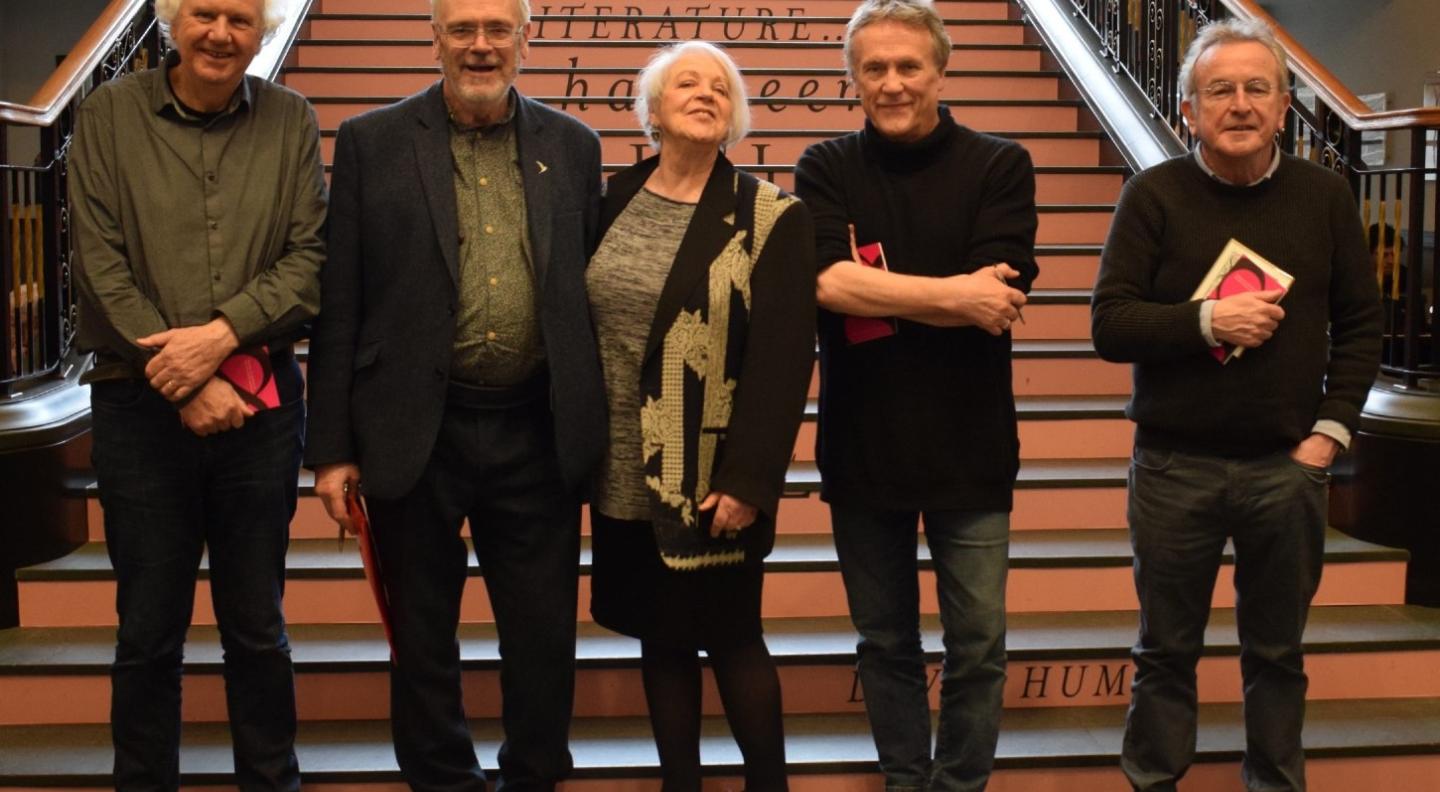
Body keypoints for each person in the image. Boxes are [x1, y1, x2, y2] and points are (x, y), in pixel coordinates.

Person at [303, 0, 606, 788]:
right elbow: (342, 300)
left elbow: (590, 299)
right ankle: (441, 779)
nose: (480, 46)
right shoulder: (372, 142)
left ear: (523, 40)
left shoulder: (574, 146)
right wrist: (332, 450)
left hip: (536, 429)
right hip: (412, 429)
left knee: (541, 636)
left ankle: (534, 775)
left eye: (497, 30)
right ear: (433, 38)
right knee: (423, 635)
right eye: (462, 30)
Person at [1090, 18, 1381, 792]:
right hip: (1173, 467)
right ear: (1189, 109)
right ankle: (1153, 781)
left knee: (1278, 655)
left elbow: (1361, 326)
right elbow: (1109, 324)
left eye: (1259, 88)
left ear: (1285, 106)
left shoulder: (1324, 198)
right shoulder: (1151, 197)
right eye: (1221, 90)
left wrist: (1330, 432)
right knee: (1164, 652)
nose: (1241, 104)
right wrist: (1206, 320)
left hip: (1285, 470)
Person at [67, 0, 324, 788]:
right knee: (147, 631)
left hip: (259, 409)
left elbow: (309, 259)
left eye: (241, 19)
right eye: (204, 12)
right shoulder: (109, 113)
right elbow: (100, 265)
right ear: (174, 21)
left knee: (258, 628)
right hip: (139, 412)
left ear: (263, 33)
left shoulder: (292, 119)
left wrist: (215, 342)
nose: (220, 32)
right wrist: (181, 380)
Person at [793, 1, 1038, 789]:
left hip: (972, 447)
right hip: (864, 449)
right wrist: (951, 296)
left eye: (908, 67)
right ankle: (906, 780)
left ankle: (959, 784)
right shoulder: (825, 166)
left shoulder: (1001, 164)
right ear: (852, 77)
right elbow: (827, 281)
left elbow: (997, 296)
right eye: (874, 69)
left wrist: (882, 290)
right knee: (885, 643)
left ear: (940, 69)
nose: (892, 83)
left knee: (978, 645)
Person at [585, 40, 815, 792]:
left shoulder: (770, 216)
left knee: (732, 638)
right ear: (652, 110)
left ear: (734, 116)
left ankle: (767, 787)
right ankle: (679, 782)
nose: (707, 93)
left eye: (721, 87)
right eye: (688, 82)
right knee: (661, 639)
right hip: (619, 465)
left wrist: (750, 479)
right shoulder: (611, 200)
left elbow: (783, 363)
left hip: (710, 469)